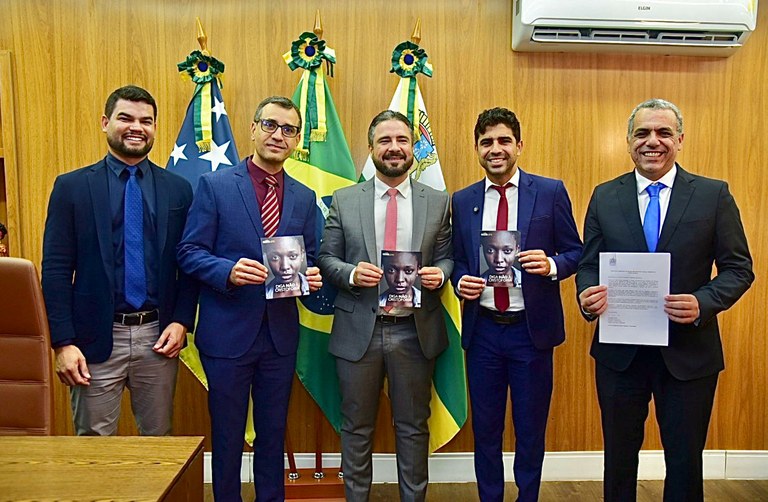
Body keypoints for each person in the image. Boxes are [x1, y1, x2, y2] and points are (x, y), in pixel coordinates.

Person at [576, 98, 753, 502]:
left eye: (663, 133)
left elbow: (739, 269)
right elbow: (589, 264)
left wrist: (703, 302)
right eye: (642, 133)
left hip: (689, 353)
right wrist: (587, 297)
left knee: (685, 460)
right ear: (628, 142)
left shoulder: (713, 195)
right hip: (621, 355)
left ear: (680, 140)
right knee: (618, 459)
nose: (652, 141)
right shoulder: (605, 196)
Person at [177, 96, 322, 502]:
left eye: (289, 129)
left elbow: (309, 256)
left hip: (279, 337)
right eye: (271, 125)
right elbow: (188, 252)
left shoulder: (304, 196)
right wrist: (227, 271)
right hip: (227, 336)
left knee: (273, 435)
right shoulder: (216, 186)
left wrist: (312, 276)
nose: (279, 135)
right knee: (226, 437)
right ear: (254, 129)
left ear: (296, 140)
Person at [41, 85, 198, 436]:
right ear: (105, 122)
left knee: (158, 447)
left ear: (155, 127)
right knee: (95, 449)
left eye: (146, 120)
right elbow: (55, 270)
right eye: (125, 118)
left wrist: (182, 321)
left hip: (158, 337)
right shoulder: (72, 187)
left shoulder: (178, 189)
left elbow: (188, 264)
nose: (136, 127)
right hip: (93, 339)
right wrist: (62, 343)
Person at [318, 110, 452, 502]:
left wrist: (439, 275)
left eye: (402, 140)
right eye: (385, 141)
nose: (394, 148)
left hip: (415, 330)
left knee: (413, 427)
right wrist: (350, 274)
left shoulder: (439, 202)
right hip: (359, 328)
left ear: (414, 147)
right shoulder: (344, 200)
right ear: (371, 147)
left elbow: (448, 258)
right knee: (356, 427)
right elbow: (326, 259)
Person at [452, 107, 583, 502]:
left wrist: (551, 265)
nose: (496, 149)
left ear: (519, 145)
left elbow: (577, 251)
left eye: (504, 140)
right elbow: (457, 259)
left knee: (530, 429)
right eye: (487, 142)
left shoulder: (550, 191)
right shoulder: (463, 200)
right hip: (484, 331)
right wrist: (461, 281)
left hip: (531, 333)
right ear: (477, 149)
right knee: (486, 431)